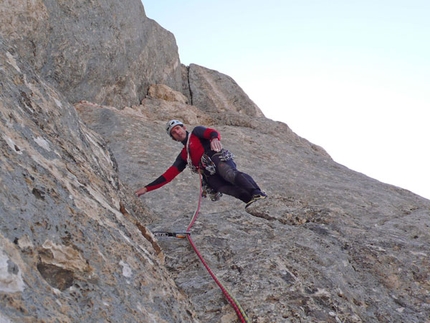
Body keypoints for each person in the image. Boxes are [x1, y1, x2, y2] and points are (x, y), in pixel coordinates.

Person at [135, 120, 267, 208]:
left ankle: (257, 192)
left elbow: (211, 133)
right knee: (222, 187)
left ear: (184, 128)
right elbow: (168, 176)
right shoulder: (183, 156)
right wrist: (146, 188)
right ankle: (250, 201)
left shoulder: (196, 133)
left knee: (228, 173)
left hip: (215, 157)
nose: (177, 132)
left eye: (178, 128)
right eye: (174, 133)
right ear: (174, 139)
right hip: (208, 173)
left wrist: (214, 138)